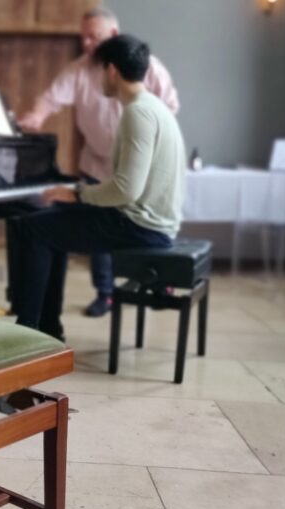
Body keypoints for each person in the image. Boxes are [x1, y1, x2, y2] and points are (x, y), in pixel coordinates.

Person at [13, 34, 186, 341]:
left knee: (32, 229)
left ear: (111, 71)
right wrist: (78, 194)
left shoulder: (137, 113)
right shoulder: (152, 107)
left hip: (141, 228)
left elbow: (126, 190)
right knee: (51, 225)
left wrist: (78, 194)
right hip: (151, 223)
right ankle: (48, 328)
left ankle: (28, 333)